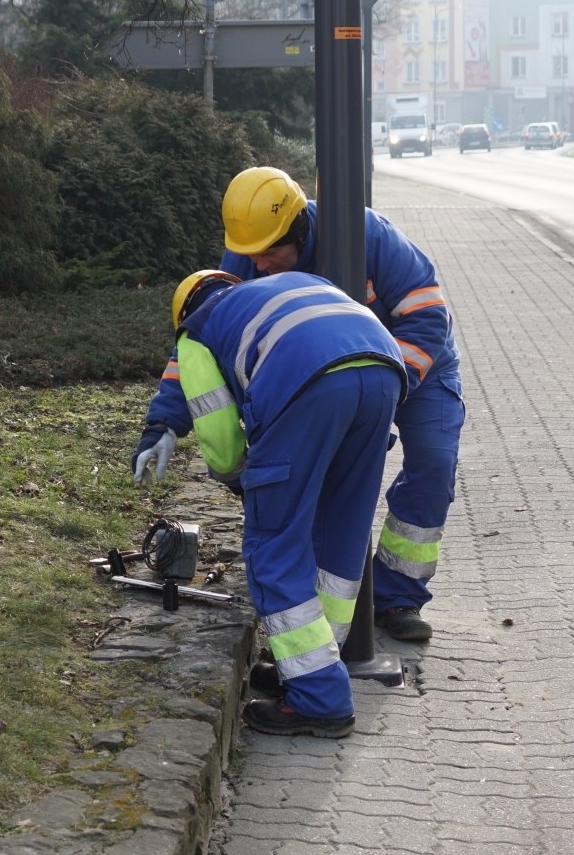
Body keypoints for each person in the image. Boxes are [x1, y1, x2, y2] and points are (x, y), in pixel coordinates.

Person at [133, 269, 405, 738]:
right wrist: (163, 425)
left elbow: (222, 445)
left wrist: (251, 485)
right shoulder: (275, 291)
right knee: (340, 533)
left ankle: (319, 698)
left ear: (183, 315)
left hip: (308, 386)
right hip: (382, 372)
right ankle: (313, 667)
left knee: (274, 545)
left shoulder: (198, 330)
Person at [215, 167, 462, 642]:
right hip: (328, 374)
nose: (259, 265)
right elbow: (217, 334)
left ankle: (398, 594)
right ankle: (319, 592)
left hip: (419, 364)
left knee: (433, 464)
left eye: (271, 253)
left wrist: (385, 399)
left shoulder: (370, 236)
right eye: (251, 255)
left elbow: (428, 317)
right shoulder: (249, 250)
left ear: (298, 231)